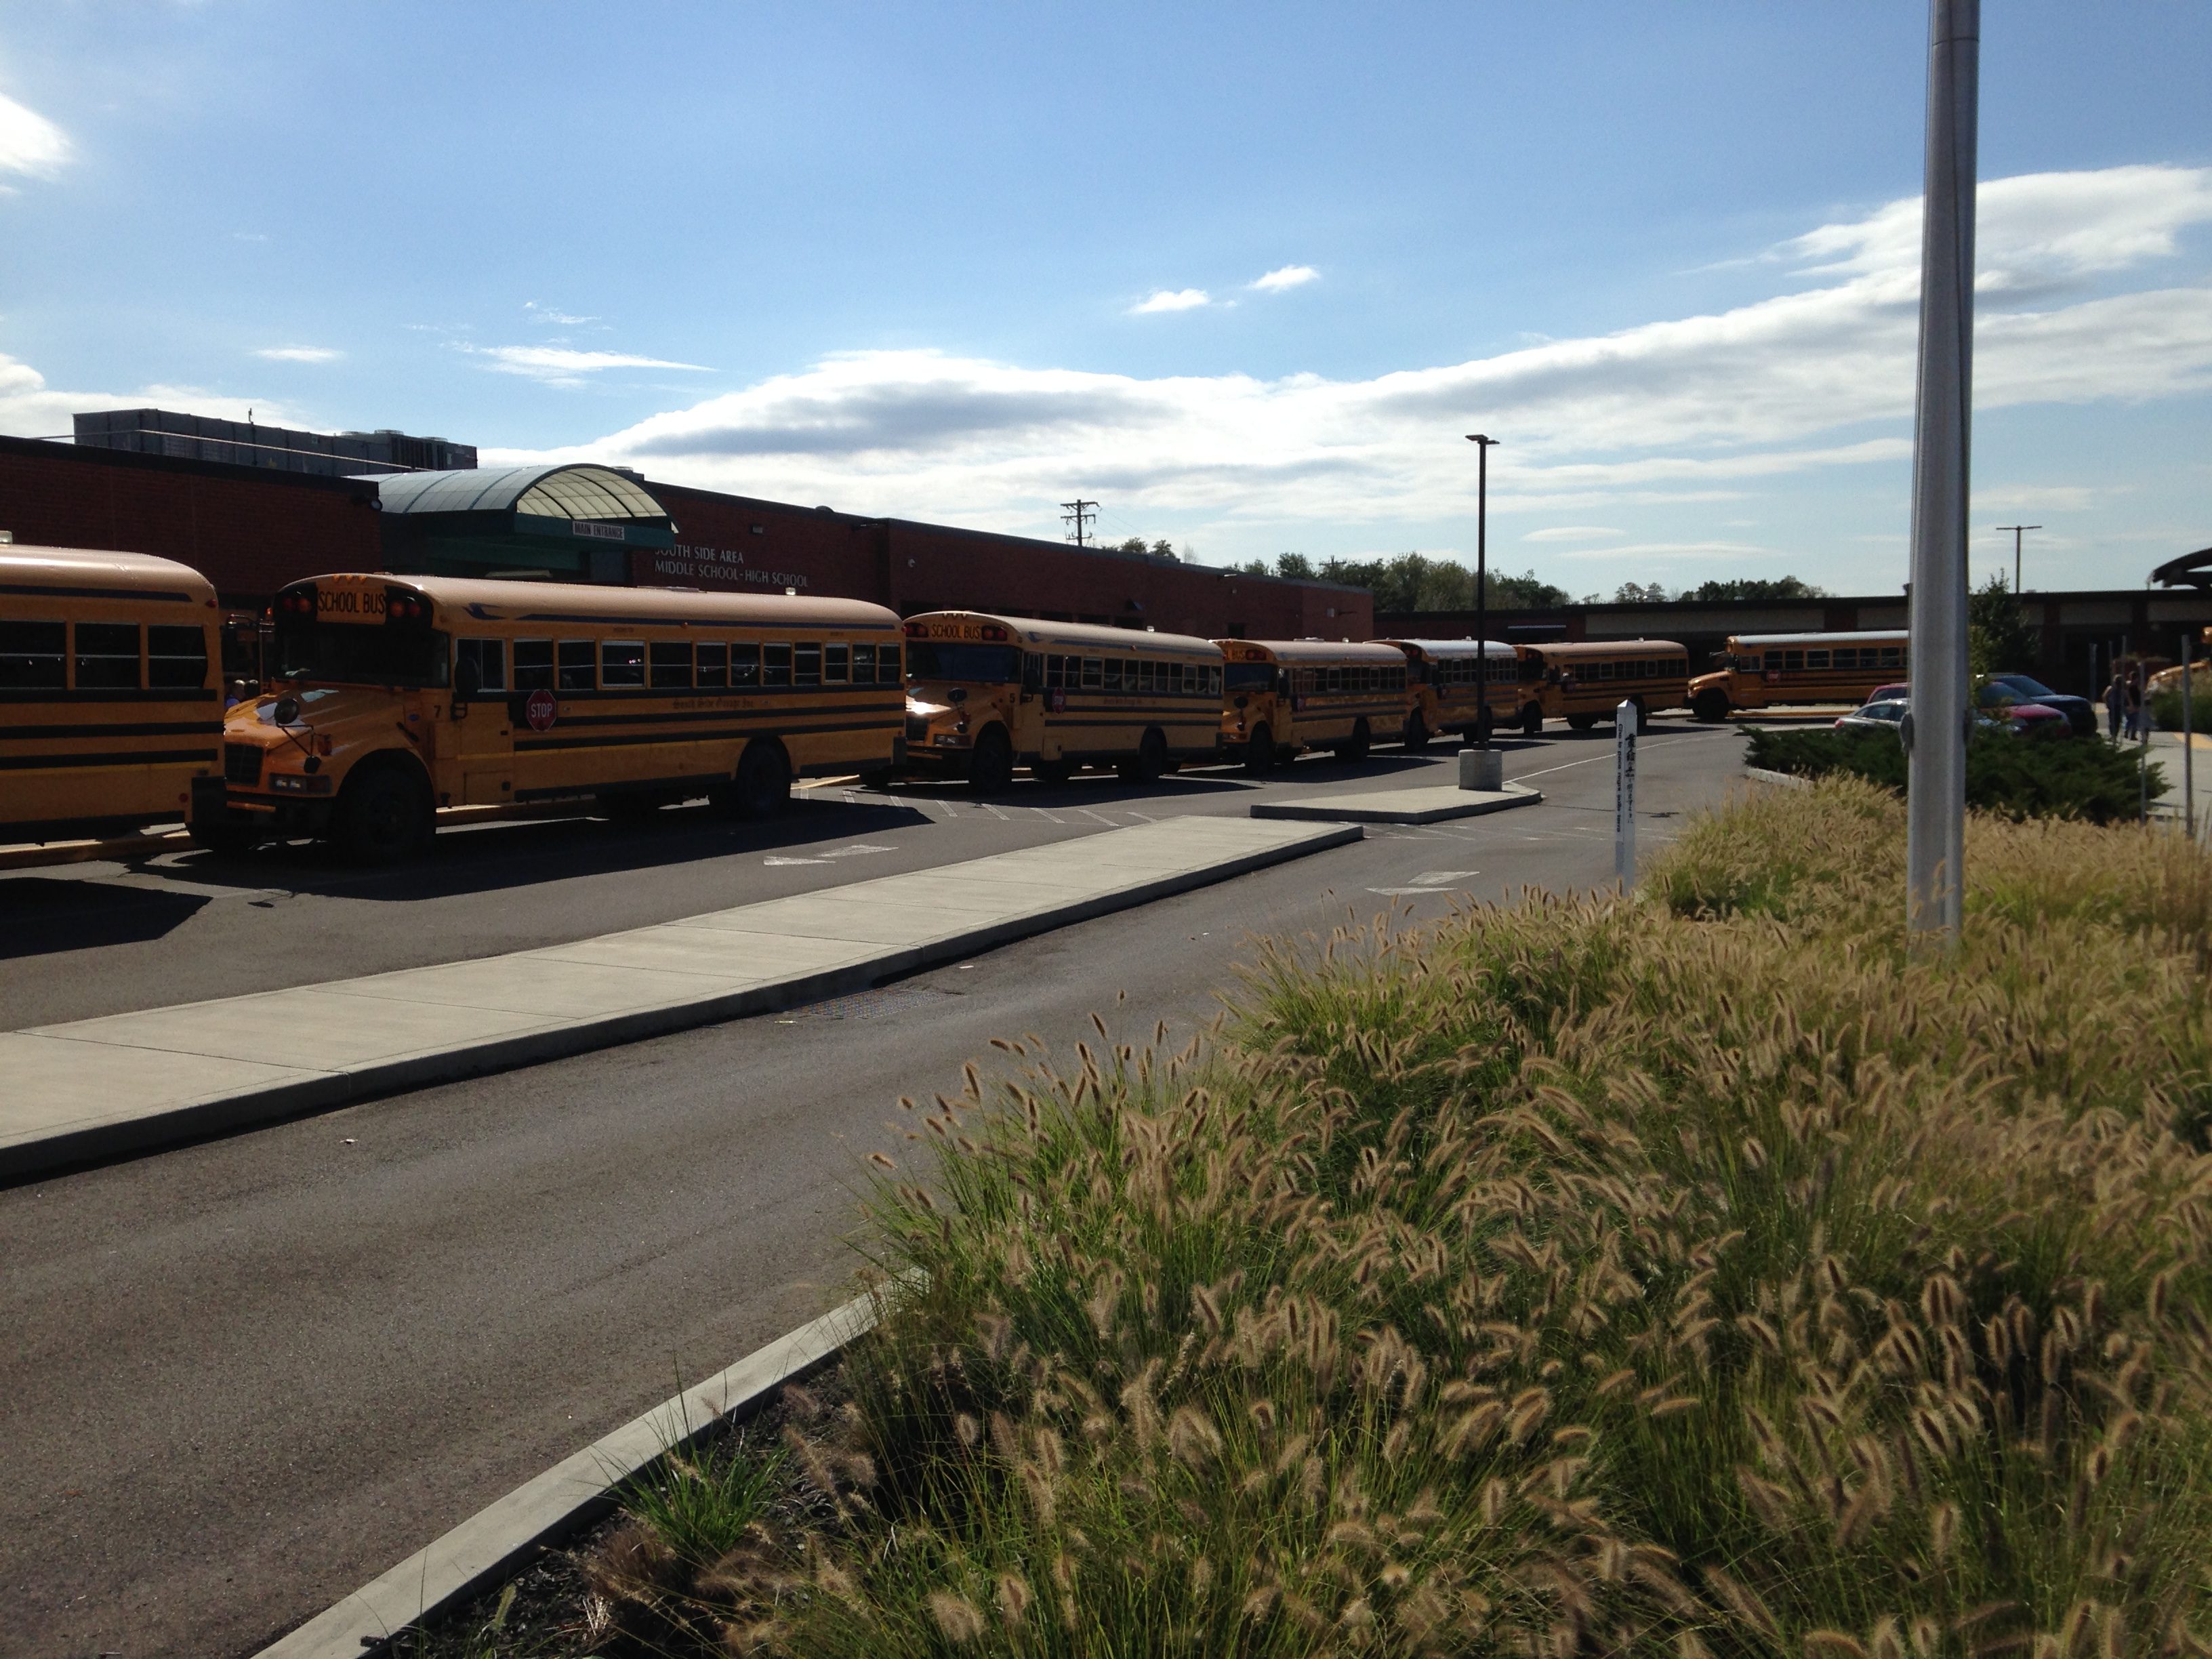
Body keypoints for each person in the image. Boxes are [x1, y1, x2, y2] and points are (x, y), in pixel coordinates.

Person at [2104, 673, 2127, 741]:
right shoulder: (2111, 688)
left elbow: (2105, 696)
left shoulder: (2122, 689)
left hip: (2118, 706)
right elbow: (2105, 696)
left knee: (2116, 722)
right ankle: (2113, 736)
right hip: (2114, 706)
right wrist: (2107, 704)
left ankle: (2114, 736)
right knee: (2114, 721)